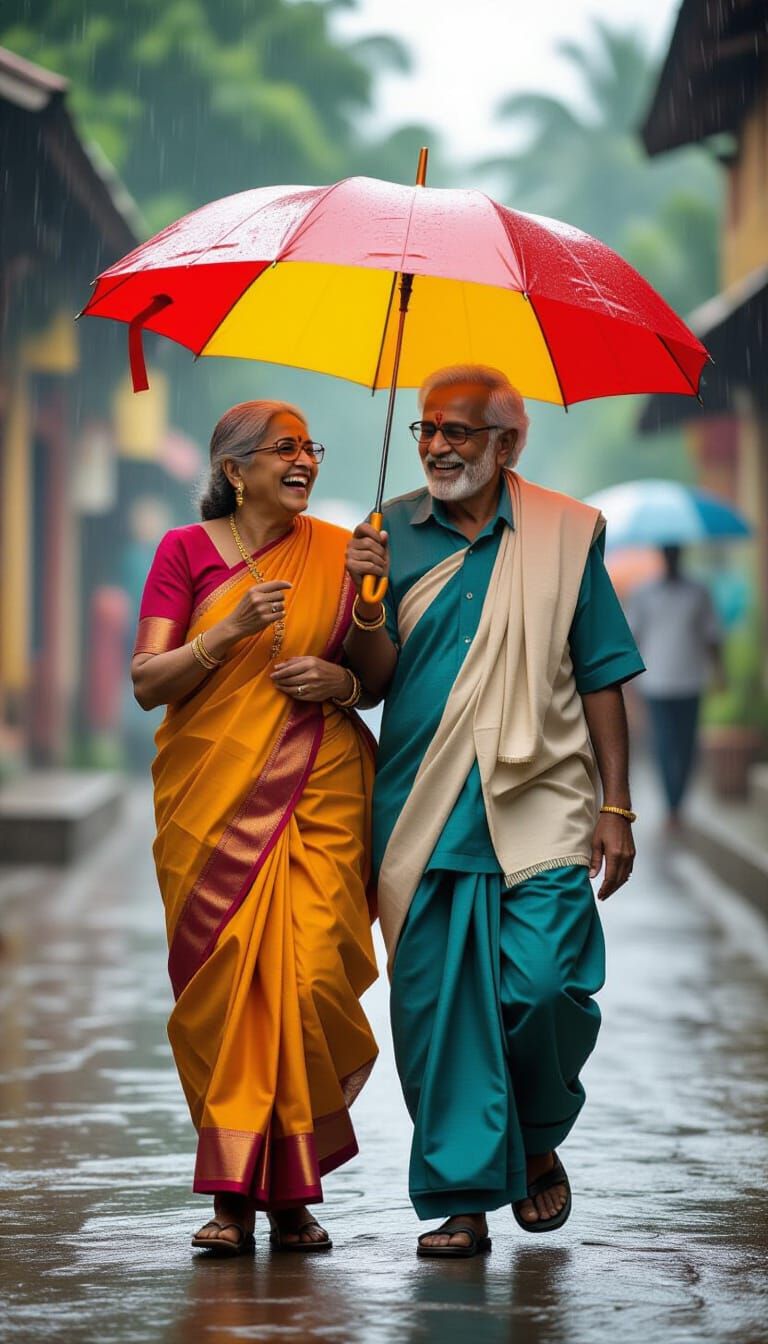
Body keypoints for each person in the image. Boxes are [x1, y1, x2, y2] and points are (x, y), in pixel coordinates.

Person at [345, 365, 645, 1257]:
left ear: (508, 443)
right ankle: (465, 1198)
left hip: (541, 797)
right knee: (440, 1013)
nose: (436, 446)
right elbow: (373, 682)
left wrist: (617, 804)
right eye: (426, 430)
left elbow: (601, 672)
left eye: (457, 432)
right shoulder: (387, 529)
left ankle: (538, 1134)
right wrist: (364, 599)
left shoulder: (562, 532)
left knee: (546, 989)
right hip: (422, 804)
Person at [131, 400, 378, 1256]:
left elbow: (374, 679)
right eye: (284, 449)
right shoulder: (185, 553)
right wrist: (226, 633)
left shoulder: (345, 552)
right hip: (211, 804)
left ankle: (290, 1186)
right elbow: (147, 682)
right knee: (231, 989)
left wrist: (350, 663)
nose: (304, 460)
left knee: (309, 980)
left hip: (318, 787)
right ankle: (239, 1201)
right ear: (235, 470)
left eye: (311, 447)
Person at [626, 545, 724, 826]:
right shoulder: (643, 594)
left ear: (680, 555)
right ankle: (672, 804)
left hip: (690, 680)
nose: (671, 558)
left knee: (687, 743)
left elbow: (712, 636)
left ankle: (678, 799)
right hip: (655, 683)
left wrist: (719, 673)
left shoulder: (698, 592)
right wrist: (629, 681)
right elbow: (632, 638)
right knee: (664, 744)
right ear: (662, 556)